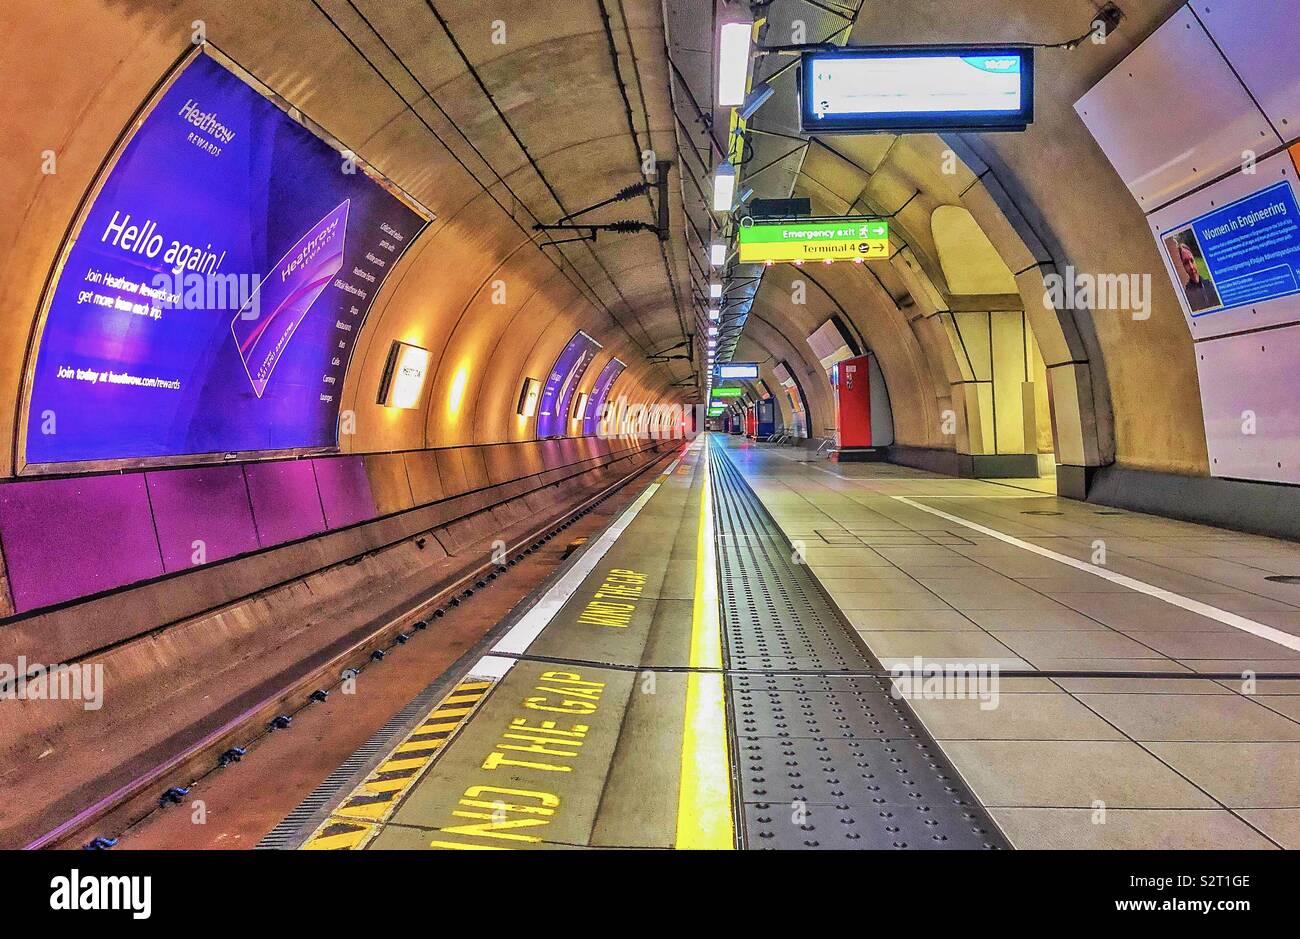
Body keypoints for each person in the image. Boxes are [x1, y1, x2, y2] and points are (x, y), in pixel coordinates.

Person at [1177, 242, 1220, 312]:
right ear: (1183, 266)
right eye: (1186, 263)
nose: (1191, 267)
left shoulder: (1211, 285)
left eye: (1191, 260)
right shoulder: (1187, 296)